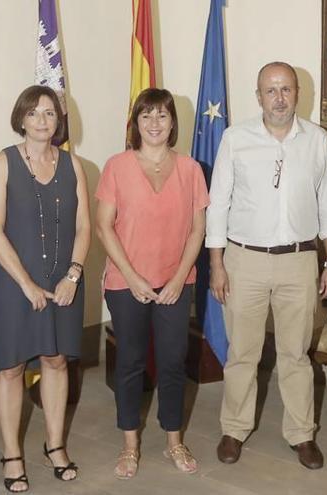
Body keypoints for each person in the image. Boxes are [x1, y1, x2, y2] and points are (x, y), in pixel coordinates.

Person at [207, 61, 327, 470]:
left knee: (296, 355)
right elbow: (218, 204)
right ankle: (233, 429)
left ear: (297, 93)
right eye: (271, 90)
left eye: (286, 89)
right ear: (259, 96)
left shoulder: (317, 140)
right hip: (243, 260)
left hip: (300, 261)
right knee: (242, 354)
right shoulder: (235, 138)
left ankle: (302, 435)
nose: (279, 98)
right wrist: (217, 263)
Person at [95, 88, 208, 479]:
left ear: (173, 122)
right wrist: (132, 276)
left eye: (162, 115)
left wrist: (178, 279)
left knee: (174, 362)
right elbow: (103, 226)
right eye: (147, 116)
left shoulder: (191, 169)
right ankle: (130, 446)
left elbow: (197, 231)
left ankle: (174, 440)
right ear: (136, 123)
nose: (155, 123)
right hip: (127, 283)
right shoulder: (117, 166)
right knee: (130, 362)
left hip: (176, 282)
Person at [0, 85, 89, 492]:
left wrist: (73, 276)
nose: (43, 120)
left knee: (57, 361)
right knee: (10, 368)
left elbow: (83, 227)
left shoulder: (73, 165)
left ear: (58, 121)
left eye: (50, 113)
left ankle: (55, 446)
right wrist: (27, 284)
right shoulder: (2, 163)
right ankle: (12, 454)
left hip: (64, 283)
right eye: (35, 113)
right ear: (21, 118)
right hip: (14, 285)